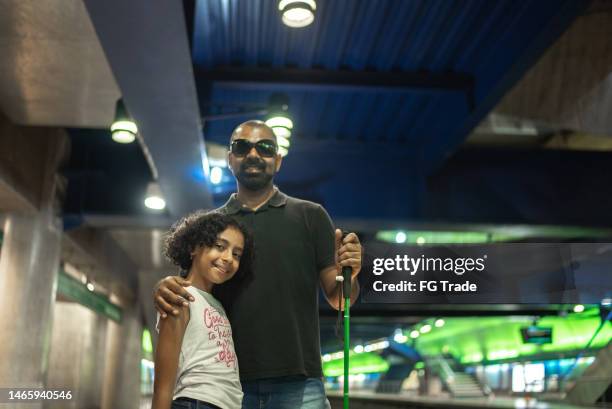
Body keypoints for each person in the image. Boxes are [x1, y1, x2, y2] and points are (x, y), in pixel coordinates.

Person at [154, 120, 362, 409]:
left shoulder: (311, 216)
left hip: (299, 381)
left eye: (265, 148)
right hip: (229, 385)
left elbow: (341, 299)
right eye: (242, 147)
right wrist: (164, 286)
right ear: (230, 159)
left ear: (277, 161)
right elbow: (190, 291)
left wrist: (349, 274)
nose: (253, 154)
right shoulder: (213, 227)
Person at [152, 211, 254, 409]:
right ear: (193, 248)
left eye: (236, 254)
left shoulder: (218, 304)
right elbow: (163, 385)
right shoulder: (178, 296)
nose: (228, 258)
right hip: (196, 402)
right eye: (219, 246)